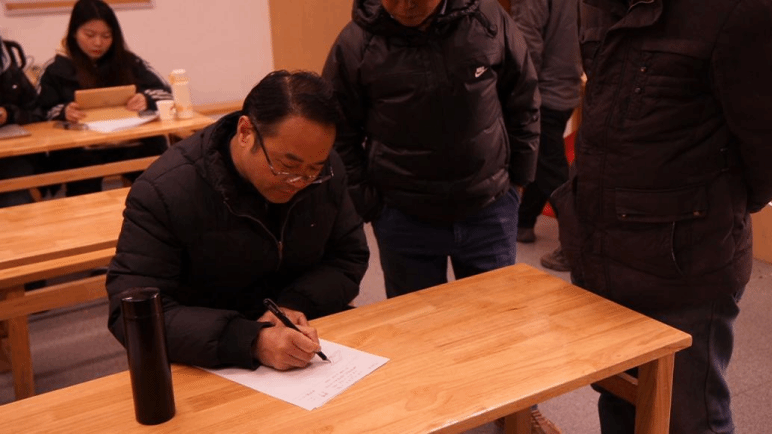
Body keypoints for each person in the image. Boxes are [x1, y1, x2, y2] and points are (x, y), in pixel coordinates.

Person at [550, 0, 772, 433]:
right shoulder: (598, 5)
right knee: (621, 402)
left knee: (688, 418)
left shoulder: (746, 9)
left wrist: (718, 204)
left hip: (686, 265)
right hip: (604, 253)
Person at [106, 70, 370, 371]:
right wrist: (251, 340)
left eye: (313, 170)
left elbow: (348, 256)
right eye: (286, 166)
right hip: (213, 361)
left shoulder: (325, 171)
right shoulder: (165, 191)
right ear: (245, 132)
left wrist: (294, 303)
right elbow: (131, 313)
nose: (299, 182)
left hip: (307, 339)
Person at [323, 0, 540, 298]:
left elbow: (523, 97)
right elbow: (337, 133)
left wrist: (520, 179)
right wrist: (369, 204)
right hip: (403, 217)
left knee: (496, 316)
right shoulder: (355, 43)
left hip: (490, 208)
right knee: (418, 322)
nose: (407, 4)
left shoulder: (487, 19)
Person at [38, 0, 172, 197]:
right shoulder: (56, 68)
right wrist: (64, 111)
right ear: (74, 33)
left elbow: (165, 92)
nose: (98, 43)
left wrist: (146, 99)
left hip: (132, 142)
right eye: (90, 35)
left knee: (157, 179)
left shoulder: (129, 61)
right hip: (82, 149)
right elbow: (40, 111)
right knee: (83, 184)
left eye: (106, 36)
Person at [510, 0, 581, 273]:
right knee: (542, 156)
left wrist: (520, 91)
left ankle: (577, 244)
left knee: (552, 169)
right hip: (567, 85)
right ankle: (524, 222)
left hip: (544, 91)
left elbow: (526, 43)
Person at [0, 36, 43, 208]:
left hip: (11, 157)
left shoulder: (10, 72)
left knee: (15, 199)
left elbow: (37, 113)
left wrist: (9, 114)